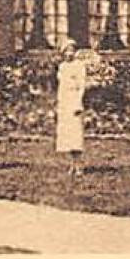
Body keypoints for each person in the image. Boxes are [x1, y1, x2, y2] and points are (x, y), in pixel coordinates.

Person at [55, 39, 90, 176]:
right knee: (67, 135)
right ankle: (72, 164)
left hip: (74, 100)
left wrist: (78, 103)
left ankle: (79, 164)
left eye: (72, 50)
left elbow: (81, 86)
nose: (69, 53)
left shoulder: (79, 66)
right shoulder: (62, 66)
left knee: (76, 134)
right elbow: (60, 87)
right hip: (64, 101)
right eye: (66, 51)